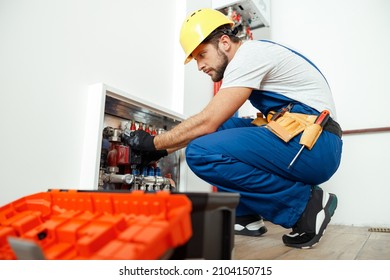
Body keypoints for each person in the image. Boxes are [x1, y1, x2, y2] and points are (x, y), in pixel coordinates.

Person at [122, 8, 343, 249]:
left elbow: (207, 120)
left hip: (316, 145)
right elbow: (213, 124)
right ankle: (246, 216)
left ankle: (304, 207)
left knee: (200, 153)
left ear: (225, 42)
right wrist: (163, 151)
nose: (200, 66)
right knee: (222, 127)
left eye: (202, 55)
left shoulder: (250, 55)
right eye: (196, 59)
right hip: (306, 138)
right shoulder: (254, 55)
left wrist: (154, 143)